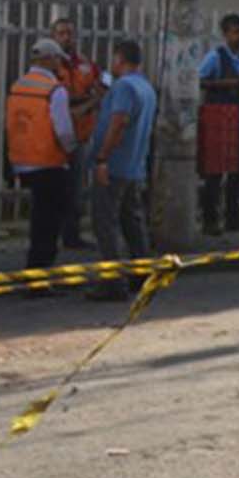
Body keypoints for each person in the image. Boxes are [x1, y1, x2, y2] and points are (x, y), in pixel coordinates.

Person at [88, 39, 159, 299]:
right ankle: (141, 274)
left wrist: (102, 158)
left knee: (105, 223)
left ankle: (112, 282)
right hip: (135, 166)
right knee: (132, 222)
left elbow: (119, 122)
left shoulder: (124, 86)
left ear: (119, 59)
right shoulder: (146, 88)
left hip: (115, 165)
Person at [5, 38, 79, 280]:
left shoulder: (18, 86)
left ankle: (35, 268)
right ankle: (39, 273)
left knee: (39, 218)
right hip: (49, 162)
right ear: (48, 59)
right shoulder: (54, 90)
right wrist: (71, 150)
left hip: (22, 161)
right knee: (50, 223)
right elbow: (64, 131)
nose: (60, 64)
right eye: (57, 59)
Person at [197, 14, 239, 236]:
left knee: (238, 169)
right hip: (218, 116)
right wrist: (227, 83)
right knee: (215, 170)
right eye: (236, 32)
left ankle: (234, 216)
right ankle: (210, 219)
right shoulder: (215, 57)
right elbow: (200, 80)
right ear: (226, 34)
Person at [52, 17, 103, 250]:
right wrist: (88, 100)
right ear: (54, 37)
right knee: (56, 188)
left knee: (76, 188)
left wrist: (95, 96)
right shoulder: (51, 66)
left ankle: (72, 235)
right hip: (54, 137)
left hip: (81, 135)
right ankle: (56, 233)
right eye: (61, 33)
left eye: (69, 33)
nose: (66, 37)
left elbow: (100, 86)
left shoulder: (85, 64)